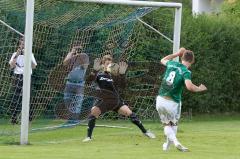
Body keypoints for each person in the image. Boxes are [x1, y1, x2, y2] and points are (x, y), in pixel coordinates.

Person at [82, 54, 156, 142]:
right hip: (104, 100)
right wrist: (94, 71)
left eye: (111, 63)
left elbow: (123, 86)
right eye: (107, 64)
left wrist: (122, 75)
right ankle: (88, 137)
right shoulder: (99, 75)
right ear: (103, 64)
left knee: (130, 113)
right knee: (93, 113)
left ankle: (145, 132)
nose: (109, 65)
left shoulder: (115, 75)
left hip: (115, 101)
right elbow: (88, 82)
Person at [156, 48, 207, 152]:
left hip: (160, 100)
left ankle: (167, 146)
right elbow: (189, 86)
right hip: (173, 103)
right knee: (173, 124)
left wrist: (176, 53)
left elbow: (162, 59)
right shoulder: (186, 71)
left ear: (181, 57)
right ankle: (176, 142)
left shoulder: (171, 64)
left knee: (167, 124)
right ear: (192, 61)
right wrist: (199, 88)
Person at [8, 37, 37, 124]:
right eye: (21, 44)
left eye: (24, 44)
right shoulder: (14, 54)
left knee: (29, 97)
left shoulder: (30, 54)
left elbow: (34, 66)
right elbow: (12, 66)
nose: (22, 46)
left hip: (28, 76)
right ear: (19, 45)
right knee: (16, 98)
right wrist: (17, 54)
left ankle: (29, 118)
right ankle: (14, 118)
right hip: (18, 77)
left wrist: (27, 55)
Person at [63, 45, 89, 122]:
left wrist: (79, 56)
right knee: (67, 100)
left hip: (79, 84)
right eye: (76, 49)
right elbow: (64, 63)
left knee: (78, 102)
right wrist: (71, 53)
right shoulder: (71, 56)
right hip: (69, 82)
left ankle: (75, 119)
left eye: (79, 50)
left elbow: (84, 67)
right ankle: (70, 118)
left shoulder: (84, 56)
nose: (77, 51)